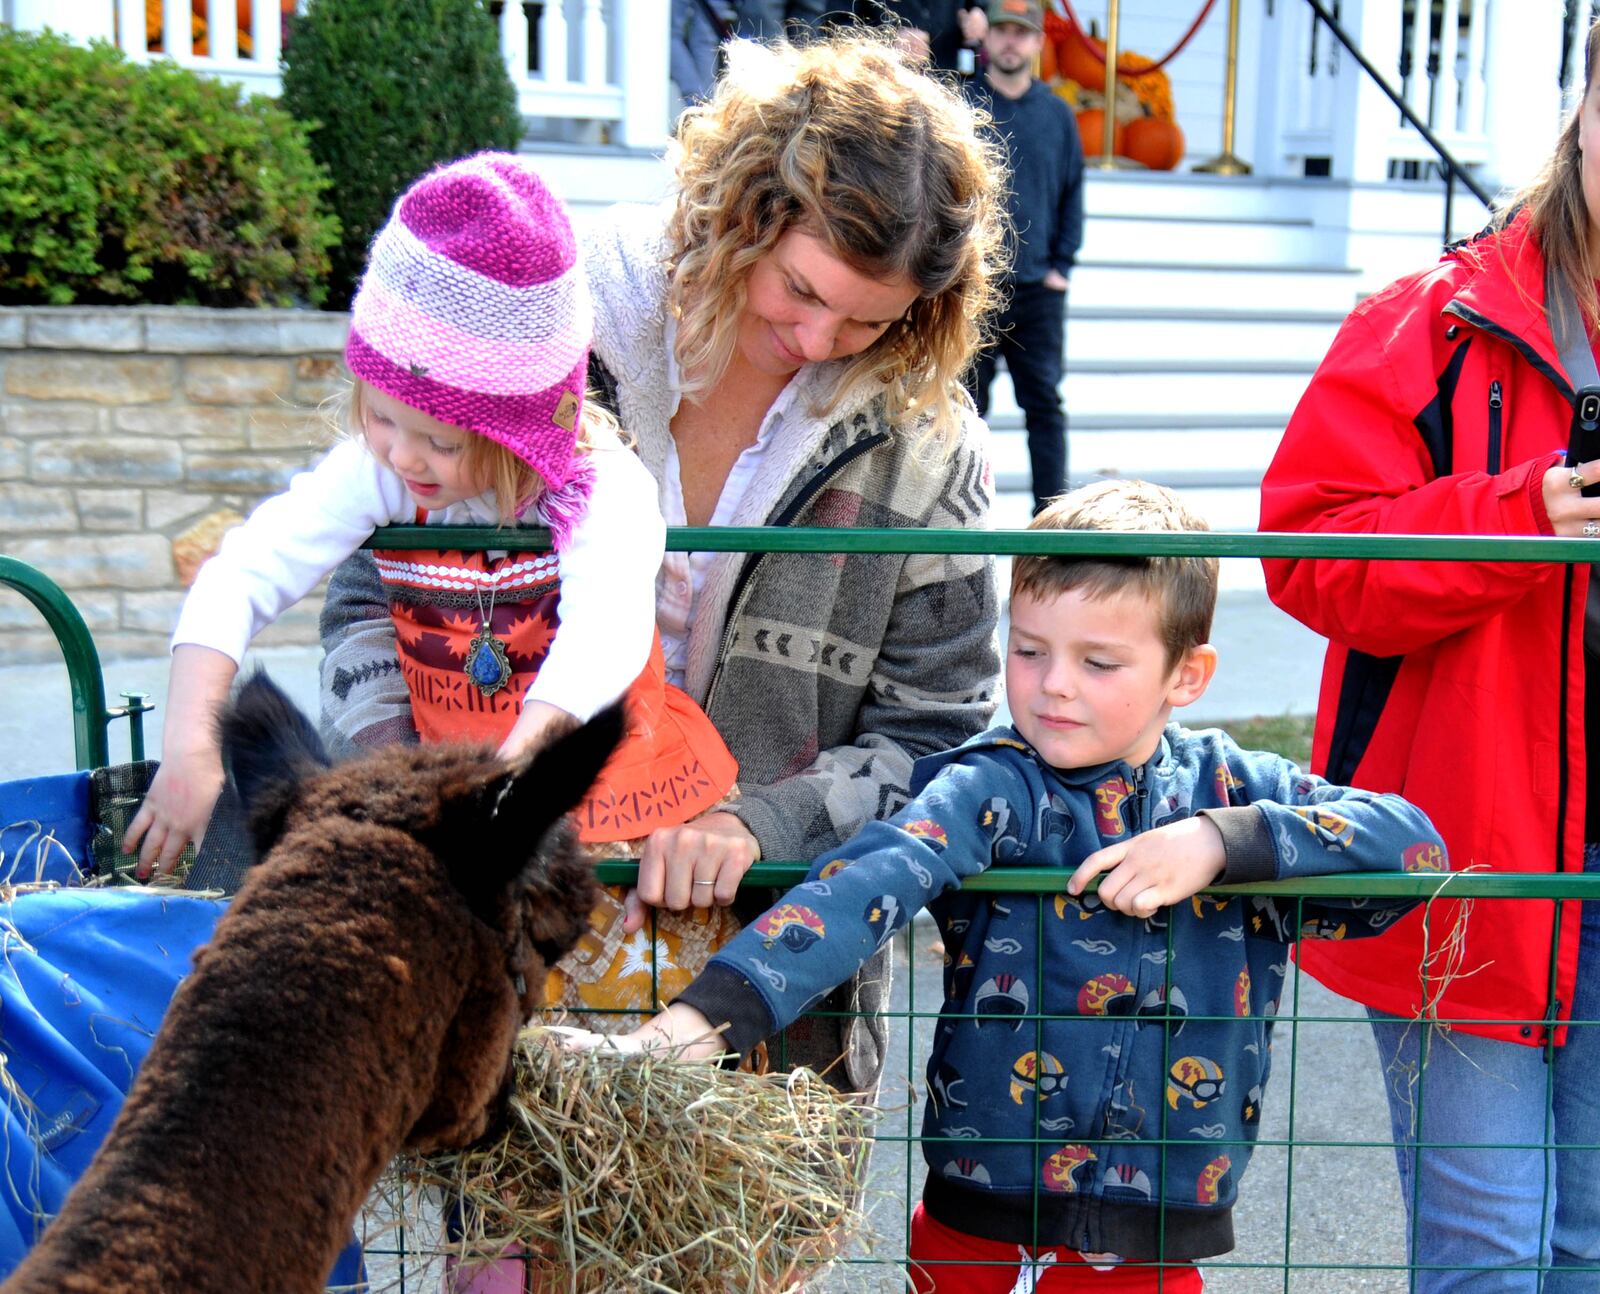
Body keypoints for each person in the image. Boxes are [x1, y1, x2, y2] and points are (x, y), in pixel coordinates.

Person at [318, 31, 1007, 1093]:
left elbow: (936, 731)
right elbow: (376, 580)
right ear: (742, 210)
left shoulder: (931, 446)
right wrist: (405, 787)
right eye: (798, 288)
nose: (821, 338)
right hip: (507, 943)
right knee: (518, 1258)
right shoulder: (553, 324)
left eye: (870, 319)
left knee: (737, 1264)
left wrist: (757, 822)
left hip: (770, 998)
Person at [608, 479, 1444, 1292]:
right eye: (1030, 650)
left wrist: (1222, 844)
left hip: (1159, 1211)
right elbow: (860, 888)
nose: (1054, 686)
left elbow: (1416, 850)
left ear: (1186, 677)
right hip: (981, 1195)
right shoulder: (991, 787)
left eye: (1100, 662)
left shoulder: (1234, 788)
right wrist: (695, 1025)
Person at [123, 153, 737, 898]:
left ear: (519, 431)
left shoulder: (604, 491)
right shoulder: (384, 468)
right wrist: (191, 745)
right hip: (468, 801)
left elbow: (599, 641)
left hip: (603, 795)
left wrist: (511, 781)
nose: (403, 453)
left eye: (443, 441)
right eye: (380, 415)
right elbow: (245, 572)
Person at [1259, 18, 1600, 1288]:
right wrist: (1521, 517)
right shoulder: (1429, 321)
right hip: (1473, 855)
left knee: (1586, 1247)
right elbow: (1306, 552)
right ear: (1583, 109)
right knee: (1489, 1253)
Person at [965, 0, 1084, 514]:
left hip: (1038, 290)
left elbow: (1072, 193)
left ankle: (1051, 519)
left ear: (1038, 43)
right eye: (1003, 31)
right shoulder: (963, 104)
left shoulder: (1057, 114)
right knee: (965, 410)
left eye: (1023, 33)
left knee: (1044, 409)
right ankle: (963, 515)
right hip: (974, 286)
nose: (1011, 41)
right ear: (987, 38)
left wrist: (1062, 266)